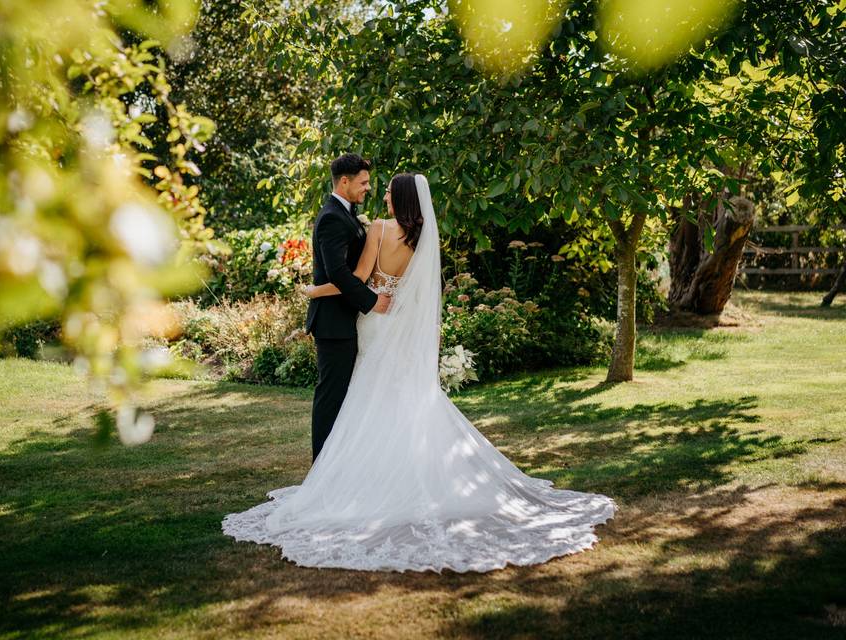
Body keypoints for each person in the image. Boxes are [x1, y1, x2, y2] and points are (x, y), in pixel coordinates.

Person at [223, 173, 616, 573]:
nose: (384, 197)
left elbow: (356, 280)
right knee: (399, 399)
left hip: (375, 324)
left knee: (367, 399)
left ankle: (365, 481)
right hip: (400, 325)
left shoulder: (377, 228)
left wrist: (312, 291)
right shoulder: (424, 238)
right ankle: (407, 474)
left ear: (403, 199)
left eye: (391, 193)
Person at [305, 153, 391, 463]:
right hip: (333, 322)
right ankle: (321, 471)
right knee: (331, 398)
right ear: (345, 181)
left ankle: (337, 467)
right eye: (364, 182)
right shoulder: (332, 217)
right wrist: (371, 302)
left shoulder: (347, 214)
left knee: (344, 397)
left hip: (343, 319)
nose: (368, 188)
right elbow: (337, 272)